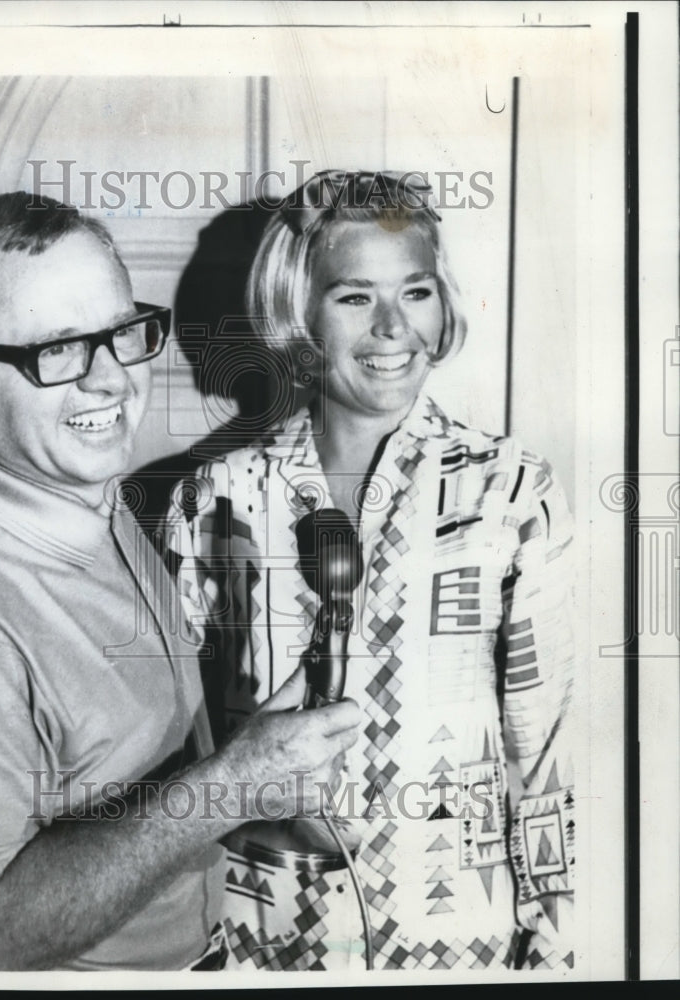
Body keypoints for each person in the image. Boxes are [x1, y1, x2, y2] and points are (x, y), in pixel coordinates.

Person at [0, 191, 362, 972]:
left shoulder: (85, 493)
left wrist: (253, 777)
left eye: (120, 335)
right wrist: (230, 786)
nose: (113, 383)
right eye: (55, 351)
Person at [164, 170, 576, 971]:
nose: (394, 328)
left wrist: (552, 940)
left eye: (415, 293)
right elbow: (184, 742)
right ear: (299, 311)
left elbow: (542, 747)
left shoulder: (511, 489)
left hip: (458, 939)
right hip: (260, 933)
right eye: (355, 298)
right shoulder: (213, 497)